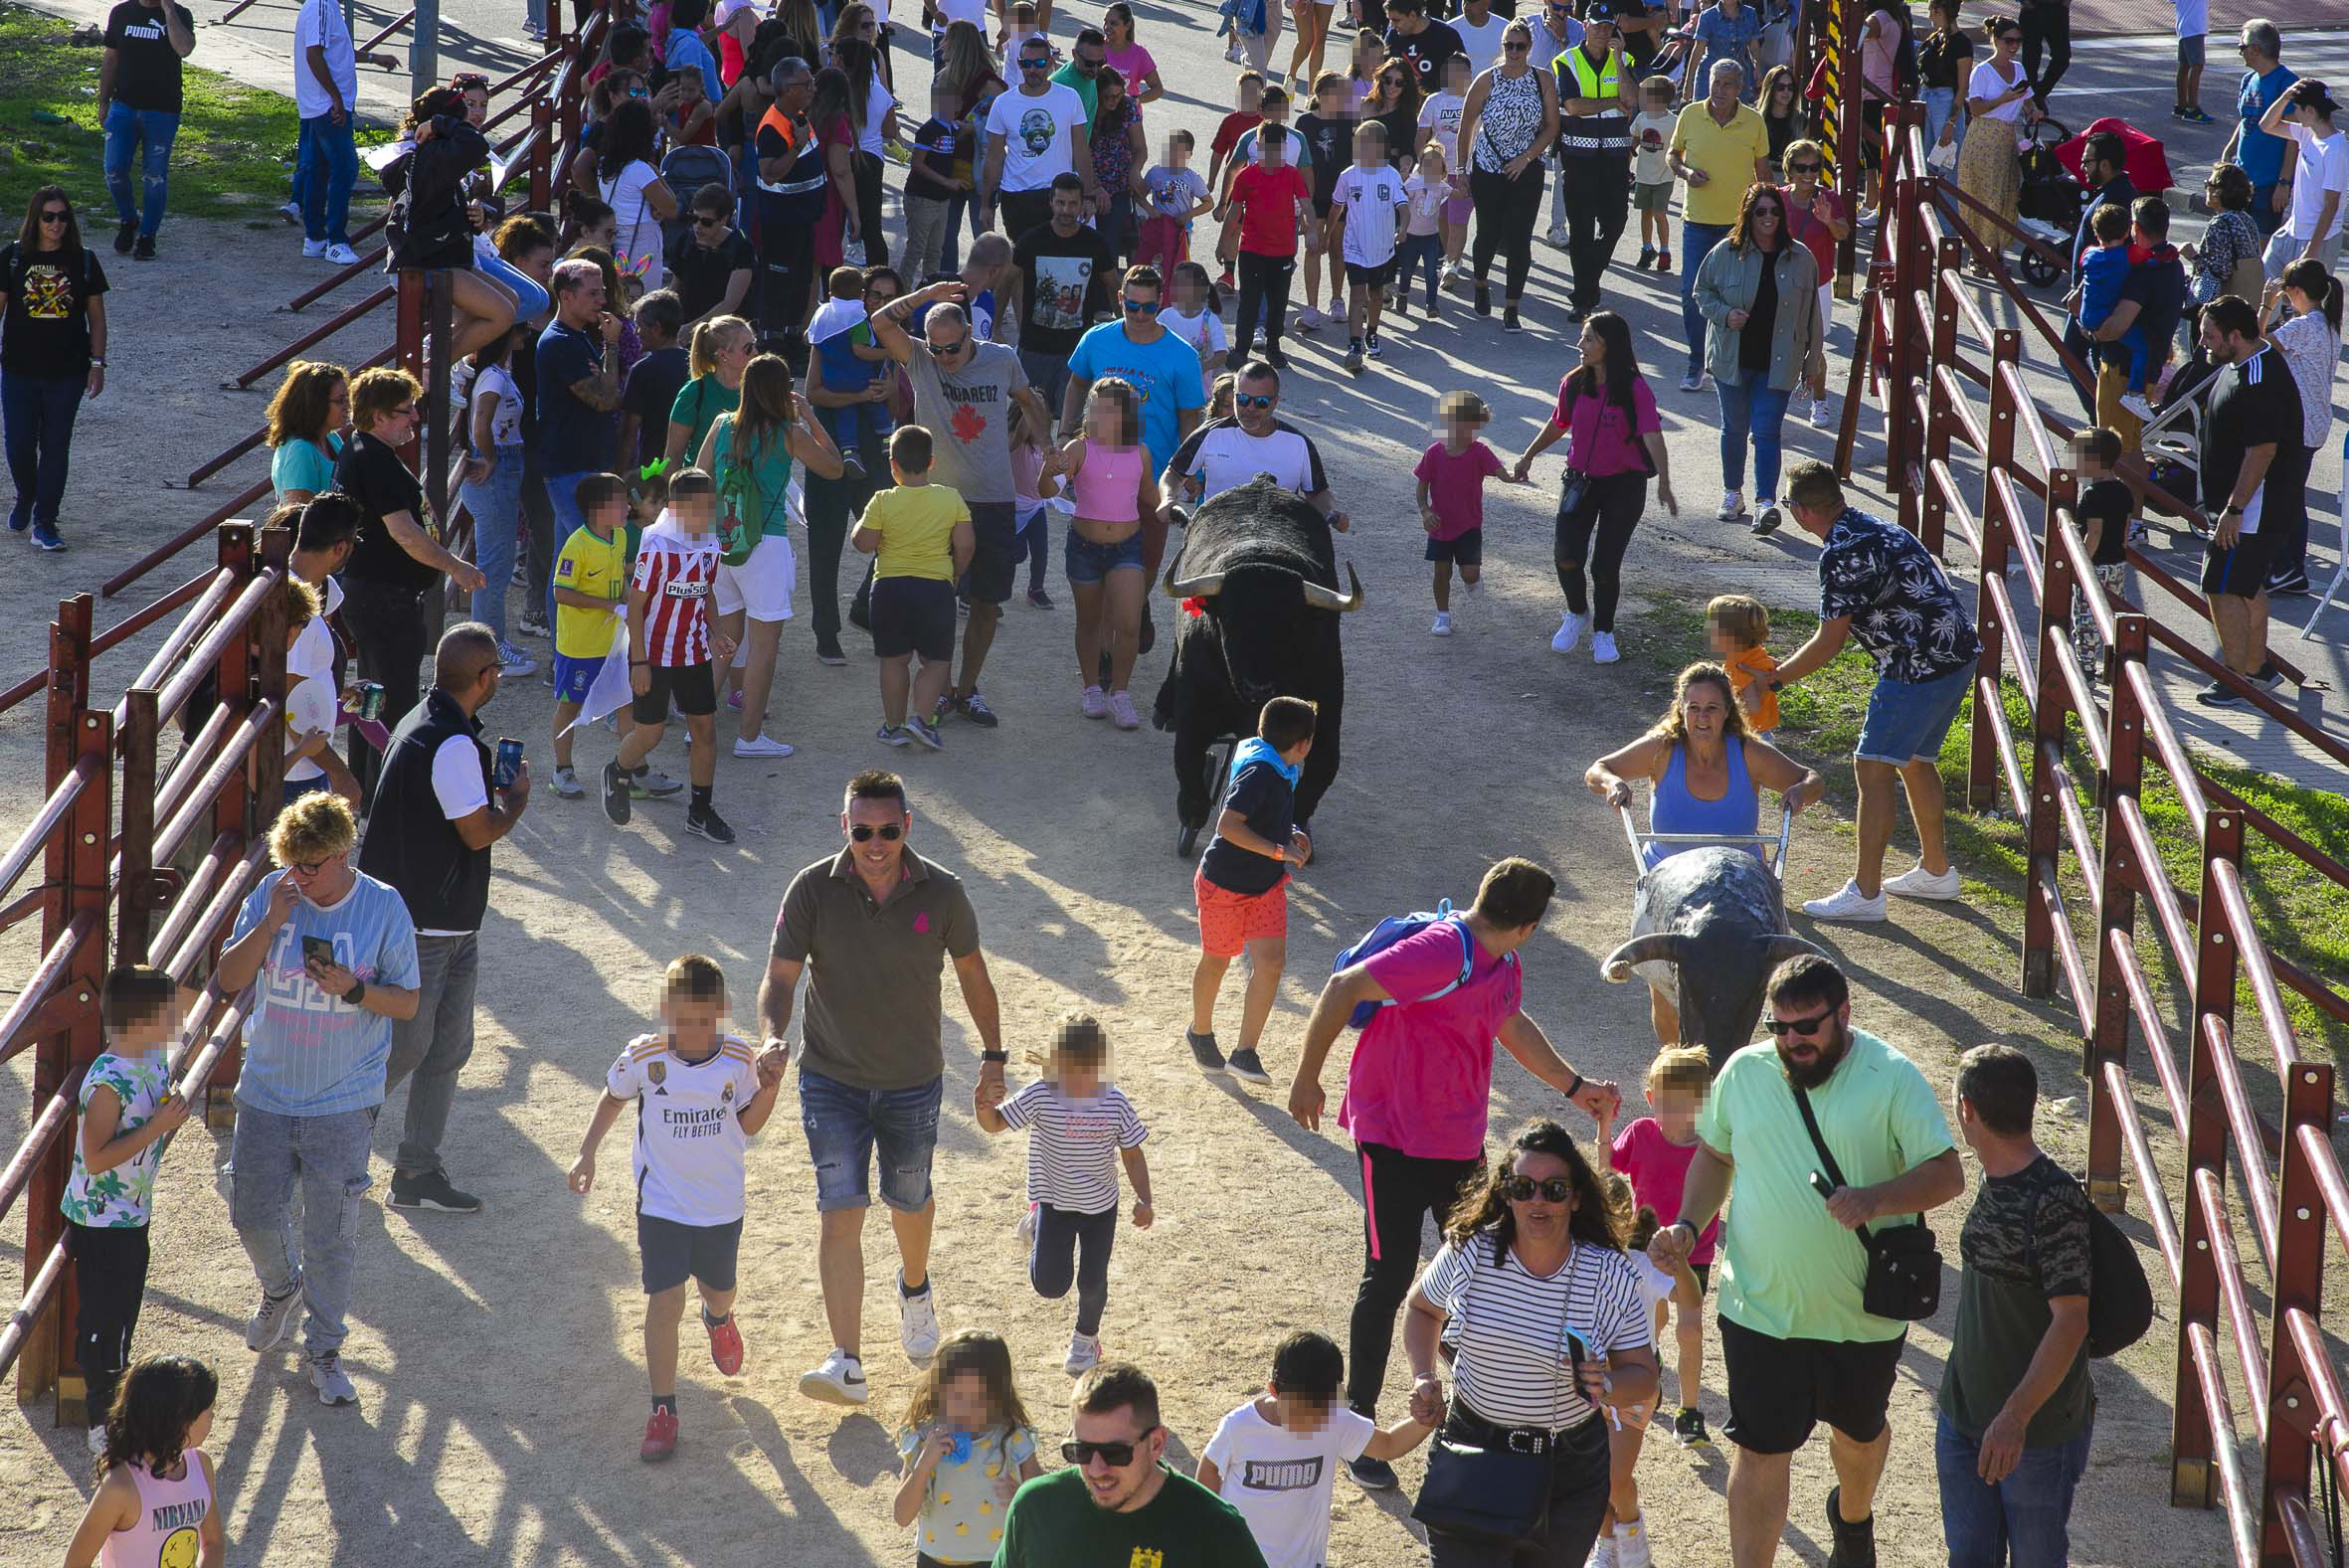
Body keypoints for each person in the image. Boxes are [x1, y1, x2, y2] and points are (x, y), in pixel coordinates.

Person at [1287, 858, 1620, 1490]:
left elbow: (1510, 1025)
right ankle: (1362, 1433)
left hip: (1458, 1142)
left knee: (1484, 1264)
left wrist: (1574, 1087)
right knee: (1386, 1278)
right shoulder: (1442, 950)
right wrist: (1308, 1075)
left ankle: (1474, 1407)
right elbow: (1341, 988)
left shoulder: (1504, 963)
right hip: (1390, 1138)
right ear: (1527, 926)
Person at [1646, 955, 1965, 1568]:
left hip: (1863, 1316)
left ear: (1844, 1014)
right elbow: (1715, 1155)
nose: (1793, 1042)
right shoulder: (1743, 1072)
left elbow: (1947, 1174)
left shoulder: (1891, 1076)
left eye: (1808, 1027)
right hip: (1759, 1310)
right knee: (1761, 1453)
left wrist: (1875, 1199)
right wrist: (1688, 1224)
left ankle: (1852, 1518)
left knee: (1859, 1437)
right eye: (1779, 1028)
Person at [761, 770, 1005, 1408]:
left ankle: (915, 1288)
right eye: (863, 830)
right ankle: (847, 1360)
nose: (875, 843)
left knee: (909, 1199)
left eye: (888, 831)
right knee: (839, 1210)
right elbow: (780, 977)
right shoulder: (812, 888)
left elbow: (975, 978)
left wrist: (994, 1057)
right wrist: (770, 1035)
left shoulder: (945, 893)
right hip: (829, 1081)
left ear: (907, 828)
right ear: (845, 827)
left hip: (913, 1083)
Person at [214, 793, 421, 1407]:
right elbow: (228, 978)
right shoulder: (272, 895)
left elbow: (407, 1002)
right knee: (249, 1211)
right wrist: (270, 921)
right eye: (291, 864)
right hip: (266, 1092)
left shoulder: (383, 907)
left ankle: (324, 1351)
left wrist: (356, 990)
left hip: (344, 1100)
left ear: (343, 852)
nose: (299, 877)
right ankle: (281, 1288)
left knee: (330, 1236)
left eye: (311, 867)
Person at [1402, 1120, 1661, 1567]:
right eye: (1523, 1187)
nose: (1537, 1200)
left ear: (1576, 1197)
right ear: (1505, 1193)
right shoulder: (1471, 1250)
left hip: (1568, 1471)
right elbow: (1422, 1308)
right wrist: (1424, 1376)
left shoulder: (1612, 1274)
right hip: (1471, 1451)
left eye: (1554, 1189)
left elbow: (1645, 1375)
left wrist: (1610, 1385)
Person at [568, 955, 786, 1461]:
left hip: (719, 1206)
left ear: (720, 1013)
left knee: (720, 1289)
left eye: (701, 1019)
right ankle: (662, 1410)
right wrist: (587, 1151)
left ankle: (719, 1317)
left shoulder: (737, 1058)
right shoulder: (644, 1057)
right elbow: (613, 1096)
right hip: (662, 1205)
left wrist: (769, 1087)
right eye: (678, 1018)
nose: (688, 1030)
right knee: (665, 1302)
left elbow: (749, 1124)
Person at [358, 622, 531, 1216]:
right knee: (406, 1049)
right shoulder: (455, 745)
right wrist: (515, 805)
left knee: (444, 1047)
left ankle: (416, 1171)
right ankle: (329, 1141)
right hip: (428, 926)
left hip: (439, 921)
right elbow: (478, 831)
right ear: (484, 679)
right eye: (497, 673)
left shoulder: (419, 719)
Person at [1584, 661, 1825, 1038]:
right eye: (1693, 707)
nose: (1701, 718)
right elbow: (1598, 768)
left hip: (1738, 886)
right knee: (1667, 998)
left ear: (1728, 711)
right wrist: (1613, 783)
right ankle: (1673, 1074)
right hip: (1669, 885)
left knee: (1746, 988)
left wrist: (1800, 791)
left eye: (1711, 708)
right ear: (1680, 709)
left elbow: (1811, 779)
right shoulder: (1661, 750)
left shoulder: (1748, 753)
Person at [1936, 1044, 2096, 1567]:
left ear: (1967, 1110)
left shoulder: (2054, 1199)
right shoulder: (1992, 1174)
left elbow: (2071, 1321)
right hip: (1965, 1420)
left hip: (2033, 1435)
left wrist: (2014, 1417)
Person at [869, 280, 1054, 728]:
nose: (945, 360)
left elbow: (1030, 403)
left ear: (970, 334)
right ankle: (938, 690)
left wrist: (1051, 448)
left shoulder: (1001, 360)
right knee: (938, 600)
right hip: (936, 501)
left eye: (952, 349)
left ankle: (967, 690)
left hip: (993, 498)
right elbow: (879, 321)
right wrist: (927, 294)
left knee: (988, 603)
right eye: (938, 351)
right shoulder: (920, 359)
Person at [334, 367, 488, 792]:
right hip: (384, 597)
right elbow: (404, 532)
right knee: (393, 703)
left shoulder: (364, 450)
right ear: (379, 415)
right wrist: (455, 566)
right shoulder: (374, 459)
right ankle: (384, 797)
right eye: (406, 412)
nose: (414, 420)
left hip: (374, 594)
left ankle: (367, 792)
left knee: (371, 699)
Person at [975, 1011, 1153, 1375]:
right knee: (1050, 1286)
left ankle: (1085, 1339)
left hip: (1100, 1208)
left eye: (1090, 1069)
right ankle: (1036, 1223)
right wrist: (983, 1105)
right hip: (1054, 1203)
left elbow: (1132, 1154)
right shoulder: (1041, 1095)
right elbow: (994, 1125)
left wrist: (1144, 1199)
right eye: (1073, 1069)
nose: (1082, 1079)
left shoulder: (1115, 1102)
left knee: (1092, 1281)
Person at [61, 966, 187, 1455]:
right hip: (102, 1220)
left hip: (130, 1214)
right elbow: (95, 1159)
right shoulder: (110, 1082)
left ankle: (112, 1408)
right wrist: (157, 1127)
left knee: (122, 1316)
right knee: (103, 1322)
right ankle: (101, 1421)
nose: (175, 1021)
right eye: (168, 1014)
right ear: (142, 1023)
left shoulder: (151, 1058)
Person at [698, 351, 844, 758]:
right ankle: (749, 738)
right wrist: (810, 418)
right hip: (766, 545)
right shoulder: (788, 432)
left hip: (721, 541)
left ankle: (698, 725)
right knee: (763, 648)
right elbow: (834, 468)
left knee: (723, 639)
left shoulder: (721, 424)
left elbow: (696, 476)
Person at [1513, 311, 1677, 663]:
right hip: (1580, 482)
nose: (1580, 345)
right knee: (1566, 556)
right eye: (1583, 338)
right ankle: (1576, 612)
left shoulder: (1634, 388)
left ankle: (1604, 632)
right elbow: (1559, 423)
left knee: (1604, 566)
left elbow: (1652, 434)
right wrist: (1528, 455)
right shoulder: (1573, 383)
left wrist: (1664, 482)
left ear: (1609, 345)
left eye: (1588, 339)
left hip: (1624, 486)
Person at [994, 1362, 1270, 1565]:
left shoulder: (1216, 1530)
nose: (1096, 1469)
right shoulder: (1036, 1510)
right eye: (1081, 1451)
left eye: (1115, 1453)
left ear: (1157, 1444)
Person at [1197, 1330, 1434, 1568]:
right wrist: (1214, 1527)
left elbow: (1388, 1445)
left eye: (1319, 1414)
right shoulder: (1240, 1426)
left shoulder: (1334, 1419)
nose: (1310, 1422)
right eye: (1300, 1412)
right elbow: (1210, 1467)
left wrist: (1426, 1421)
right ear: (1274, 1391)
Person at [1186, 696, 1317, 1083]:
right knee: (1218, 960)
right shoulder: (1263, 772)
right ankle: (1200, 1032)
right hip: (1224, 887)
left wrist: (1289, 834)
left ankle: (1245, 1053)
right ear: (1302, 744)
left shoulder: (1278, 767)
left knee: (1272, 962)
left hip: (1265, 886)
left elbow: (1262, 818)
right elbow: (1227, 826)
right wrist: (1279, 849)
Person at [607, 467, 740, 840]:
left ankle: (700, 811)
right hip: (654, 655)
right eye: (701, 507)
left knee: (705, 730)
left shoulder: (711, 545)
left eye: (711, 506)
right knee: (649, 734)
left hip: (694, 651)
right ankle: (616, 770)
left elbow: (706, 592)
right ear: (678, 509)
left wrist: (716, 633)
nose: (709, 513)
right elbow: (635, 607)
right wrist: (639, 662)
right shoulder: (658, 548)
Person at [1061, 264, 1207, 603]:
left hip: (1154, 476)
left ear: (1161, 302)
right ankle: (1111, 630)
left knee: (1149, 559)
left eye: (1149, 307)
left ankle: (1136, 607)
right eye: (1133, 305)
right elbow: (1076, 383)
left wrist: (1191, 470)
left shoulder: (1183, 355)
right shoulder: (1096, 340)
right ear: (1120, 299)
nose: (1140, 314)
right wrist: (1064, 431)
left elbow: (1190, 418)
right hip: (1100, 474)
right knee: (1097, 559)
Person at [1600, 1046, 1719, 1458]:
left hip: (1692, 1253)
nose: (1676, 1112)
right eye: (1666, 1101)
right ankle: (1646, 1368)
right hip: (1643, 1246)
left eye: (1687, 1104)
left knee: (1690, 1328)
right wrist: (1604, 1124)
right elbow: (1607, 1167)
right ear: (1651, 1099)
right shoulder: (1640, 1132)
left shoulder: (1714, 1149)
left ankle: (1689, 1412)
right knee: (1652, 1320)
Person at [1697, 182, 1825, 535]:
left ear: (1782, 215)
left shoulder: (1801, 258)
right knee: (1734, 429)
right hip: (1731, 359)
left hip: (1779, 362)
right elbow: (1701, 291)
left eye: (1774, 211)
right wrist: (1724, 314)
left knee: (1767, 431)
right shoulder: (1725, 251)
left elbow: (1814, 314)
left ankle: (1764, 503)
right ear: (1748, 216)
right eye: (1760, 212)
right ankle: (1732, 493)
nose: (1768, 218)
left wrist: (1812, 364)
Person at [2192, 295, 2300, 706]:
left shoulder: (2259, 378)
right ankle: (2257, 670)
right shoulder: (2243, 362)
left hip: (2251, 508)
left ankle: (2233, 678)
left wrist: (2234, 510)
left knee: (2221, 585)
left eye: (2209, 336)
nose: (2203, 343)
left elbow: (2262, 450)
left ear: (2235, 336)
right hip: (2242, 505)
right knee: (2247, 587)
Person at [1, 187, 107, 553]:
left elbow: (96, 317)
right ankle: (27, 494)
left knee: (56, 446)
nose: (56, 224)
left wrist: (98, 364)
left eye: (63, 216)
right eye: (49, 216)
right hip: (18, 369)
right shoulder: (14, 257)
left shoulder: (85, 261)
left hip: (67, 371)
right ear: (35, 218)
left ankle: (45, 521)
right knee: (17, 444)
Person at [854, 424, 973, 748]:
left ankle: (893, 727)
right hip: (936, 588)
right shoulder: (951, 499)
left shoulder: (881, 500)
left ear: (892, 464)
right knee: (936, 660)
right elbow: (965, 545)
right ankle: (921, 719)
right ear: (932, 462)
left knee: (893, 660)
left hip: (889, 589)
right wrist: (956, 574)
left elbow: (862, 543)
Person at [1047, 380, 1158, 728]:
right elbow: (1048, 490)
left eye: (1109, 409)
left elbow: (1153, 498)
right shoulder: (1079, 449)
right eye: (1095, 407)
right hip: (1084, 548)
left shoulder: (1140, 453)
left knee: (1129, 624)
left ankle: (1121, 694)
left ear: (1126, 415)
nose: (1099, 415)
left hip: (1128, 546)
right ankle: (1091, 688)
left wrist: (1179, 505)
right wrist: (1045, 473)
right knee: (1089, 622)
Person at [383, 89, 516, 361]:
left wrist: (474, 221)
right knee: (501, 314)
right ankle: (437, 369)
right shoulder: (433, 155)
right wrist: (441, 124)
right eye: (462, 121)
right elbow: (477, 144)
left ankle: (439, 362)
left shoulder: (430, 154)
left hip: (437, 255)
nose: (468, 127)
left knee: (511, 300)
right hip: (423, 262)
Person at [892, 1329, 1044, 1565]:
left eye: (980, 1400)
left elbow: (1043, 1508)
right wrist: (923, 1466)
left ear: (999, 1397)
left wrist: (1021, 1498)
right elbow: (902, 1516)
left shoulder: (1012, 1438)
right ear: (938, 1389)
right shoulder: (923, 1438)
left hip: (997, 1559)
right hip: (934, 1560)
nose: (966, 1409)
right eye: (957, 1396)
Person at [61, 1355, 223, 1568]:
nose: (212, 1416)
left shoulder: (201, 1465)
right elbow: (76, 1563)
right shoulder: (121, 1488)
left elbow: (214, 1543)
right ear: (179, 1419)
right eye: (208, 1411)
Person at [1670, 61, 1773, 392]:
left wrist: (1766, 218)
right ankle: (1696, 362)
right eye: (1716, 82)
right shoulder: (1689, 114)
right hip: (1697, 222)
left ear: (1739, 88)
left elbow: (1764, 176)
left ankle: (1729, 363)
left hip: (1738, 226)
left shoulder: (1754, 122)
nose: (1719, 90)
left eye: (1727, 84)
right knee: (1692, 293)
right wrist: (1687, 173)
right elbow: (1673, 155)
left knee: (1739, 296)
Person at [1457, 19, 1558, 333]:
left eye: (1520, 46)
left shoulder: (1542, 79)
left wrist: (1526, 158)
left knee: (1519, 238)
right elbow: (1467, 126)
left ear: (1529, 48)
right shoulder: (1486, 80)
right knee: (1487, 232)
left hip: (1526, 168)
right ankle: (1481, 281)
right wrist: (1462, 170)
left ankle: (1512, 306)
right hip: (1488, 167)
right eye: (1508, 45)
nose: (1513, 51)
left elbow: (1552, 127)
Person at [1164, 360, 1348, 529]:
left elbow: (1317, 492)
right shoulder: (1208, 434)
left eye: (1261, 402)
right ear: (1235, 397)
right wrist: (1168, 498)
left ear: (1275, 402)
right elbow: (1174, 473)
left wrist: (1331, 511)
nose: (1250, 408)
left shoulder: (1299, 444)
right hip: (1217, 532)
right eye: (1243, 399)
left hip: (1281, 535)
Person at [455, 326, 535, 674]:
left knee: (497, 566)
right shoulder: (494, 377)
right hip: (498, 472)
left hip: (502, 471)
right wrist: (488, 458)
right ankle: (489, 651)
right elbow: (481, 422)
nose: (526, 332)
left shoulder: (496, 373)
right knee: (493, 568)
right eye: (520, 328)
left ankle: (495, 639)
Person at [2260, 259, 2341, 598]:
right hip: (2316, 422)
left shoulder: (2302, 326)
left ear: (2293, 291)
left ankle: (2286, 568)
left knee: (2281, 497)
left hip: (2296, 423)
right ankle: (2290, 568)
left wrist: (2266, 306)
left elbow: (2255, 347)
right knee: (2291, 496)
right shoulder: (2327, 323)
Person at [549, 473, 632, 798]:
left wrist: (628, 601)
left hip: (613, 642)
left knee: (627, 702)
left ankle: (631, 771)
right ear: (598, 509)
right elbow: (561, 593)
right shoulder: (577, 545)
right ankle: (562, 770)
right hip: (579, 646)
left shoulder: (620, 536)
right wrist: (611, 606)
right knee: (570, 706)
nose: (628, 505)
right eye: (620, 501)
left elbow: (618, 577)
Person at [538, 259, 628, 548]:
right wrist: (611, 346)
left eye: (602, 292)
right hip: (570, 468)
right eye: (592, 294)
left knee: (566, 562)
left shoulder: (578, 337)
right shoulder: (559, 342)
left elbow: (606, 390)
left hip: (582, 465)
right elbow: (605, 399)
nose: (602, 300)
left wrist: (604, 374)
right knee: (595, 549)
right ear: (566, 296)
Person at [1009, 175, 1116, 418]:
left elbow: (1114, 285)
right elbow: (1006, 281)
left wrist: (1126, 328)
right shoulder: (1032, 241)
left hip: (1076, 351)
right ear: (1051, 203)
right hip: (1034, 348)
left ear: (1082, 206)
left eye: (1072, 204)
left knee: (1070, 423)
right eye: (1060, 203)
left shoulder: (1095, 243)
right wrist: (996, 327)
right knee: (1026, 419)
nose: (1066, 210)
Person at [2084, 198, 2186, 444]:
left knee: (2115, 448)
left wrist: (2092, 335)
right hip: (2149, 367)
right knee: (2129, 445)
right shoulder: (2172, 263)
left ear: (2136, 228)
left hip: (2123, 369)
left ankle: (2117, 484)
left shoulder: (2142, 271)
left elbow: (2118, 325)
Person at [98, 0, 194, 261]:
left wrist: (168, 10)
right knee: (114, 169)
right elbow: (111, 58)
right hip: (123, 106)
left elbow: (184, 48)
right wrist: (103, 101)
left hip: (162, 110)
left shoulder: (180, 14)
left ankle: (147, 235)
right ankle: (129, 219)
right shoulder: (121, 13)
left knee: (154, 176)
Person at [1551, 5, 1634, 301]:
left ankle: (1589, 278)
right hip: (1578, 157)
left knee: (1616, 222)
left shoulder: (1623, 59)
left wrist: (1617, 61)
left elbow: (1631, 100)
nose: (1602, 31)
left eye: (1607, 26)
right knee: (1582, 228)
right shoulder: (1568, 61)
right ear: (1584, 25)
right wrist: (1611, 101)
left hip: (1614, 158)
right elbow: (1574, 106)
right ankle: (1584, 294)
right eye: (1596, 25)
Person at [985, 38, 1096, 241]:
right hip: (1017, 195)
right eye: (1026, 64)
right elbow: (993, 157)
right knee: (1023, 265)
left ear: (1050, 63)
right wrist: (986, 205)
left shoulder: (1070, 98)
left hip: (1059, 195)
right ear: (1019, 64)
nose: (1033, 69)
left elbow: (1080, 149)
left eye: (1040, 63)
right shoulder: (1003, 103)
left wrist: (1088, 196)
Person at [1415, 390, 1507, 635]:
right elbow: (1422, 485)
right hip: (1440, 526)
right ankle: (1442, 616)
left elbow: (1502, 473)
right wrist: (1425, 511)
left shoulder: (1480, 451)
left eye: (1477, 428)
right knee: (1441, 572)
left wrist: (1516, 476)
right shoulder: (1433, 453)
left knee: (1469, 573)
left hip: (1469, 525)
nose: (1473, 434)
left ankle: (1473, 580)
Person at [1225, 124, 1316, 366]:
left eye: (1277, 150)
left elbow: (1306, 203)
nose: (1272, 155)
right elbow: (1234, 211)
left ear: (1284, 149)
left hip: (1283, 250)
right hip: (1252, 250)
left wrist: (1312, 229)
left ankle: (1274, 348)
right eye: (1267, 149)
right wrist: (1223, 243)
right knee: (1249, 301)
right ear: (1258, 147)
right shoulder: (1246, 176)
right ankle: (1241, 349)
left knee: (1278, 302)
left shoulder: (1292, 174)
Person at [1780, 138, 1850, 428]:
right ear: (1789, 169)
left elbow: (1843, 234)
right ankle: (1773, 412)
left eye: (1815, 167)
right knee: (1780, 348)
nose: (1809, 173)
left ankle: (1819, 402)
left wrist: (1828, 220)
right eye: (1801, 167)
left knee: (1814, 348)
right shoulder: (1777, 199)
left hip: (1818, 284)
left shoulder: (1829, 199)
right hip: (1781, 283)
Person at [2259, 78, 2349, 278]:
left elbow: (2331, 205)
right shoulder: (2308, 133)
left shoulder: (2336, 150)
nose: (2294, 114)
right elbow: (2266, 125)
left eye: (2297, 108)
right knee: (2268, 287)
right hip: (2291, 230)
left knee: (2304, 302)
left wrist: (2312, 251)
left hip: (2318, 240)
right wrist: (2284, 97)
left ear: (2310, 111)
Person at [292, 0, 360, 266]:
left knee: (319, 169)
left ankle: (315, 237)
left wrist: (373, 58)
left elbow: (335, 53)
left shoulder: (325, 6)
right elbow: (314, 54)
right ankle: (336, 240)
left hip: (321, 105)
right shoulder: (321, 5)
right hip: (326, 105)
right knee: (345, 167)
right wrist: (336, 97)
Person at [1959, 19, 2033, 247]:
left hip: (2006, 137)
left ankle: (1995, 250)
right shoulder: (1982, 71)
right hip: (1984, 137)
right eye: (2009, 41)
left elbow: (2027, 98)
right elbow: (1976, 109)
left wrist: (2034, 111)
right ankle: (1978, 251)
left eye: (2018, 41)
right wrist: (2004, 98)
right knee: (1983, 195)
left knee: (2004, 195)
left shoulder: (2018, 68)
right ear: (1995, 40)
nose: (2014, 46)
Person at [2223, 20, 2297, 237]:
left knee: (2259, 251)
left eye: (2241, 47)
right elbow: (2247, 119)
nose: (2240, 52)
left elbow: (2294, 138)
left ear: (2256, 49)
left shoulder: (2287, 83)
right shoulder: (2248, 80)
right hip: (2241, 179)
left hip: (2268, 184)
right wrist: (2229, 151)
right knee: (2235, 245)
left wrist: (2284, 183)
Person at [2184, 164, 2264, 331]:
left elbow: (2220, 271)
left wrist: (2192, 256)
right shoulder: (2246, 219)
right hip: (2246, 302)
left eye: (2208, 184)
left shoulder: (2220, 223)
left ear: (2219, 191)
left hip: (2221, 311)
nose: (2206, 188)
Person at [669, 187, 757, 330]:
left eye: (706, 222)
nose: (698, 226)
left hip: (725, 331)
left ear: (724, 219)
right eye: (694, 219)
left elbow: (730, 303)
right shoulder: (686, 240)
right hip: (685, 321)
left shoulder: (741, 247)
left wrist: (691, 329)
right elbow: (674, 288)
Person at [266, 360, 345, 509]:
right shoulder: (300, 450)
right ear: (316, 404)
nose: (348, 407)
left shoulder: (332, 439)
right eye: (340, 401)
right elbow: (299, 517)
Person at [1708, 594, 1782, 733]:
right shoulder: (1755, 651)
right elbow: (1779, 666)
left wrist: (1721, 709)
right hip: (1764, 726)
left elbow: (1753, 708)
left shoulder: (1736, 665)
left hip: (1747, 732)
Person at [1917, 0, 1973, 155]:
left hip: (1945, 101)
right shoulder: (1935, 38)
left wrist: (1951, 123)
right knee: (1926, 155)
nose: (1929, 16)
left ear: (1939, 11)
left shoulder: (1962, 43)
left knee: (1945, 159)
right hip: (1927, 95)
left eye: (1930, 11)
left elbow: (1963, 87)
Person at [1384, 0, 1463, 98]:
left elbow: (1461, 79)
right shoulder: (1393, 37)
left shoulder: (1446, 36)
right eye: (1390, 20)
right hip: (1402, 105)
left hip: (1436, 107)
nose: (1392, 25)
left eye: (1396, 20)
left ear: (1413, 15)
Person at [1694, 0, 1763, 99]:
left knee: (1737, 113)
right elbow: (1698, 50)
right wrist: (1688, 84)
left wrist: (1758, 68)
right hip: (1709, 77)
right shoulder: (1707, 16)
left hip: (1738, 76)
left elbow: (1754, 47)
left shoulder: (1750, 14)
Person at [1102, 3, 1164, 105]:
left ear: (1127, 25)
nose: (1107, 27)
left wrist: (1134, 101)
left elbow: (1157, 89)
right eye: (1105, 22)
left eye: (1113, 23)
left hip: (1129, 118)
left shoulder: (1139, 54)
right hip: (1101, 117)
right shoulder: (1097, 48)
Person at [2018, 0, 2069, 109]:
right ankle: (2030, 101)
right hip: (2032, 8)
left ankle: (2038, 94)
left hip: (2058, 8)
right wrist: (2026, 2)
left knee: (2063, 57)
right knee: (2031, 59)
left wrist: (2066, 3)